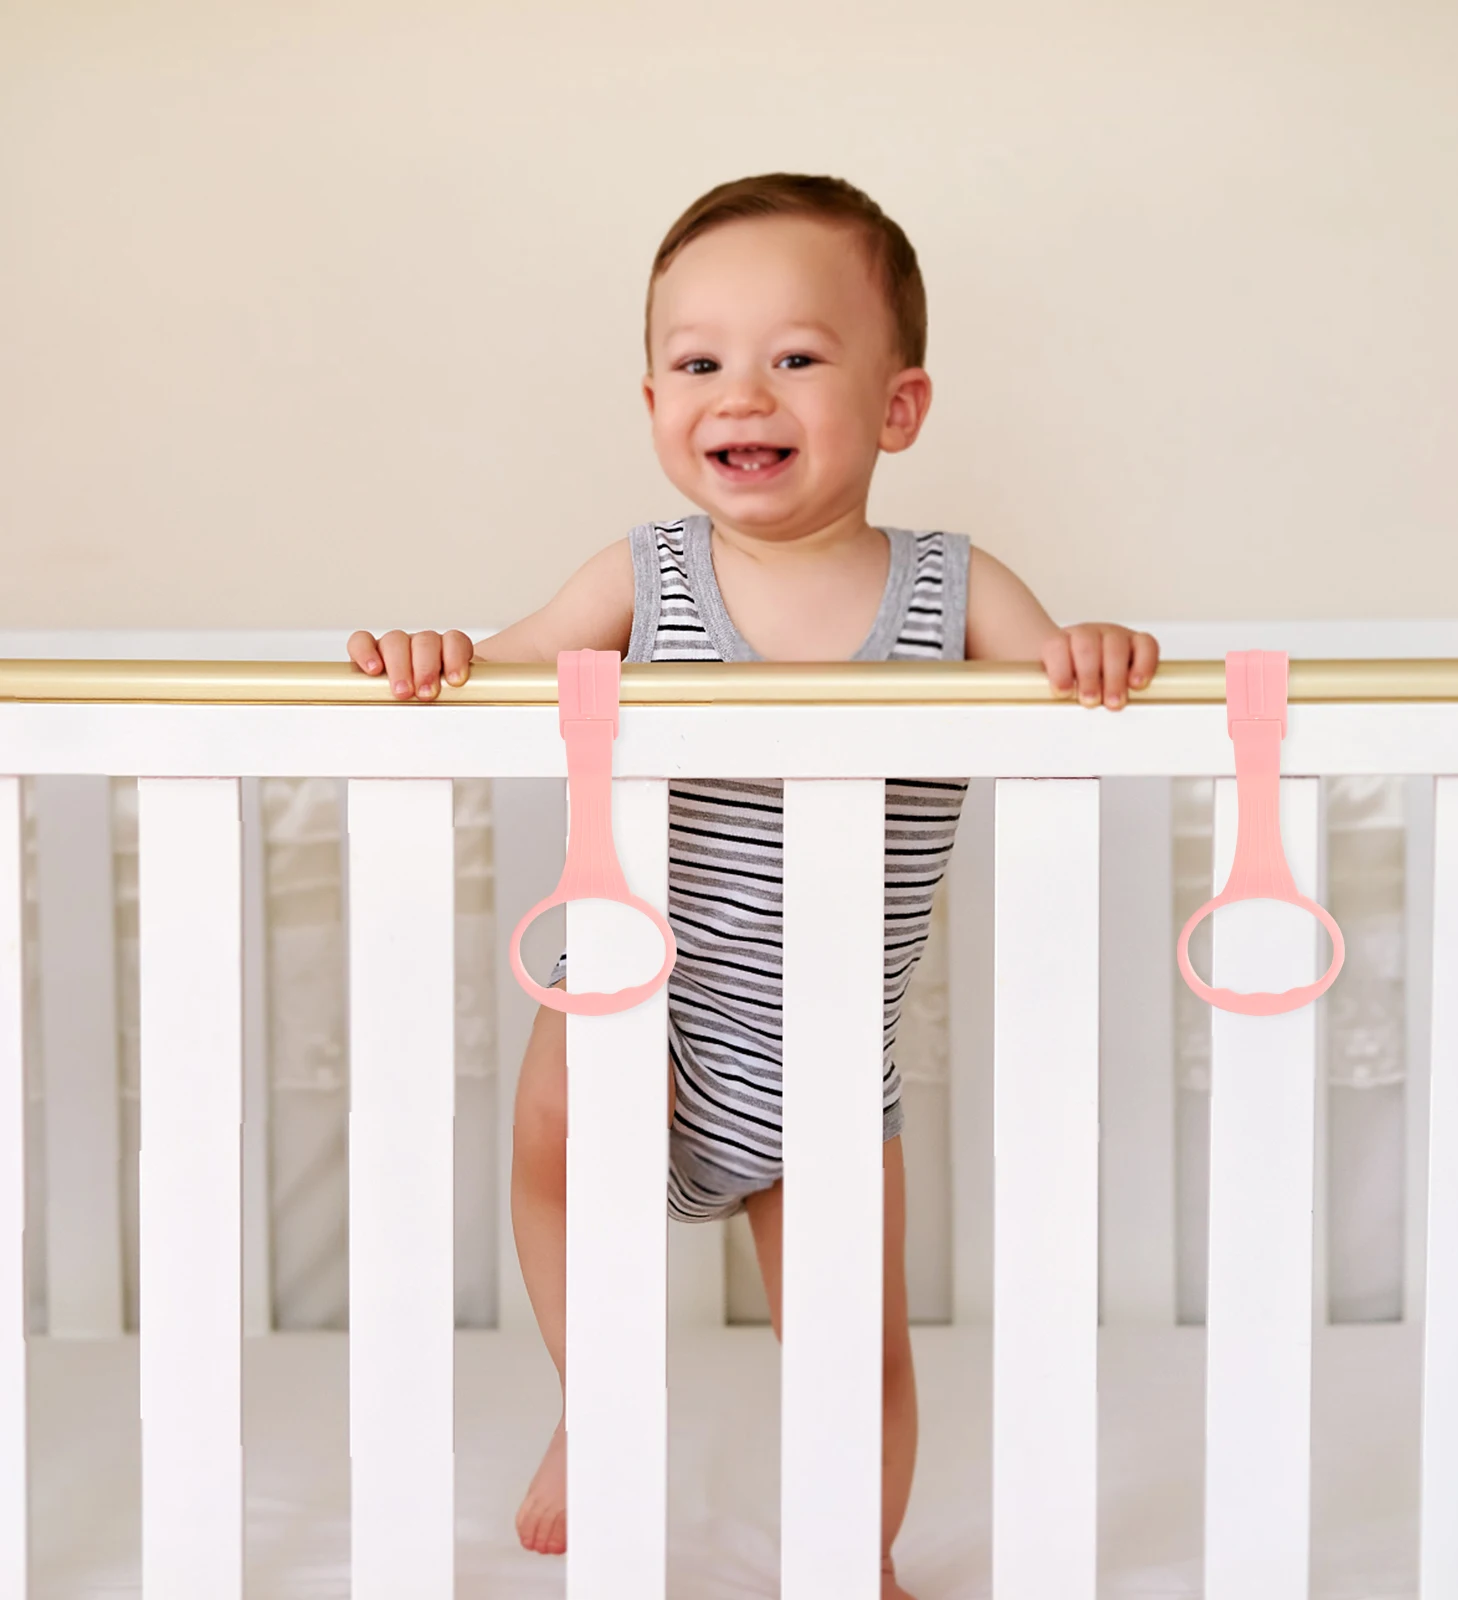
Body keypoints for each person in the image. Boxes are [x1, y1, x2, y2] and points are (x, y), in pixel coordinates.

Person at [347, 172, 1159, 1600]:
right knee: (556, 1125)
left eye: (794, 357)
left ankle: (859, 1555)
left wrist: (1090, 652)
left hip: (828, 1057)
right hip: (647, 1008)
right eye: (698, 362)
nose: (742, 394)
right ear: (652, 400)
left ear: (898, 407)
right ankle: (598, 1401)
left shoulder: (955, 588)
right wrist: (438, 656)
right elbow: (496, 665)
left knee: (857, 1346)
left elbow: (1056, 682)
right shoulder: (642, 577)